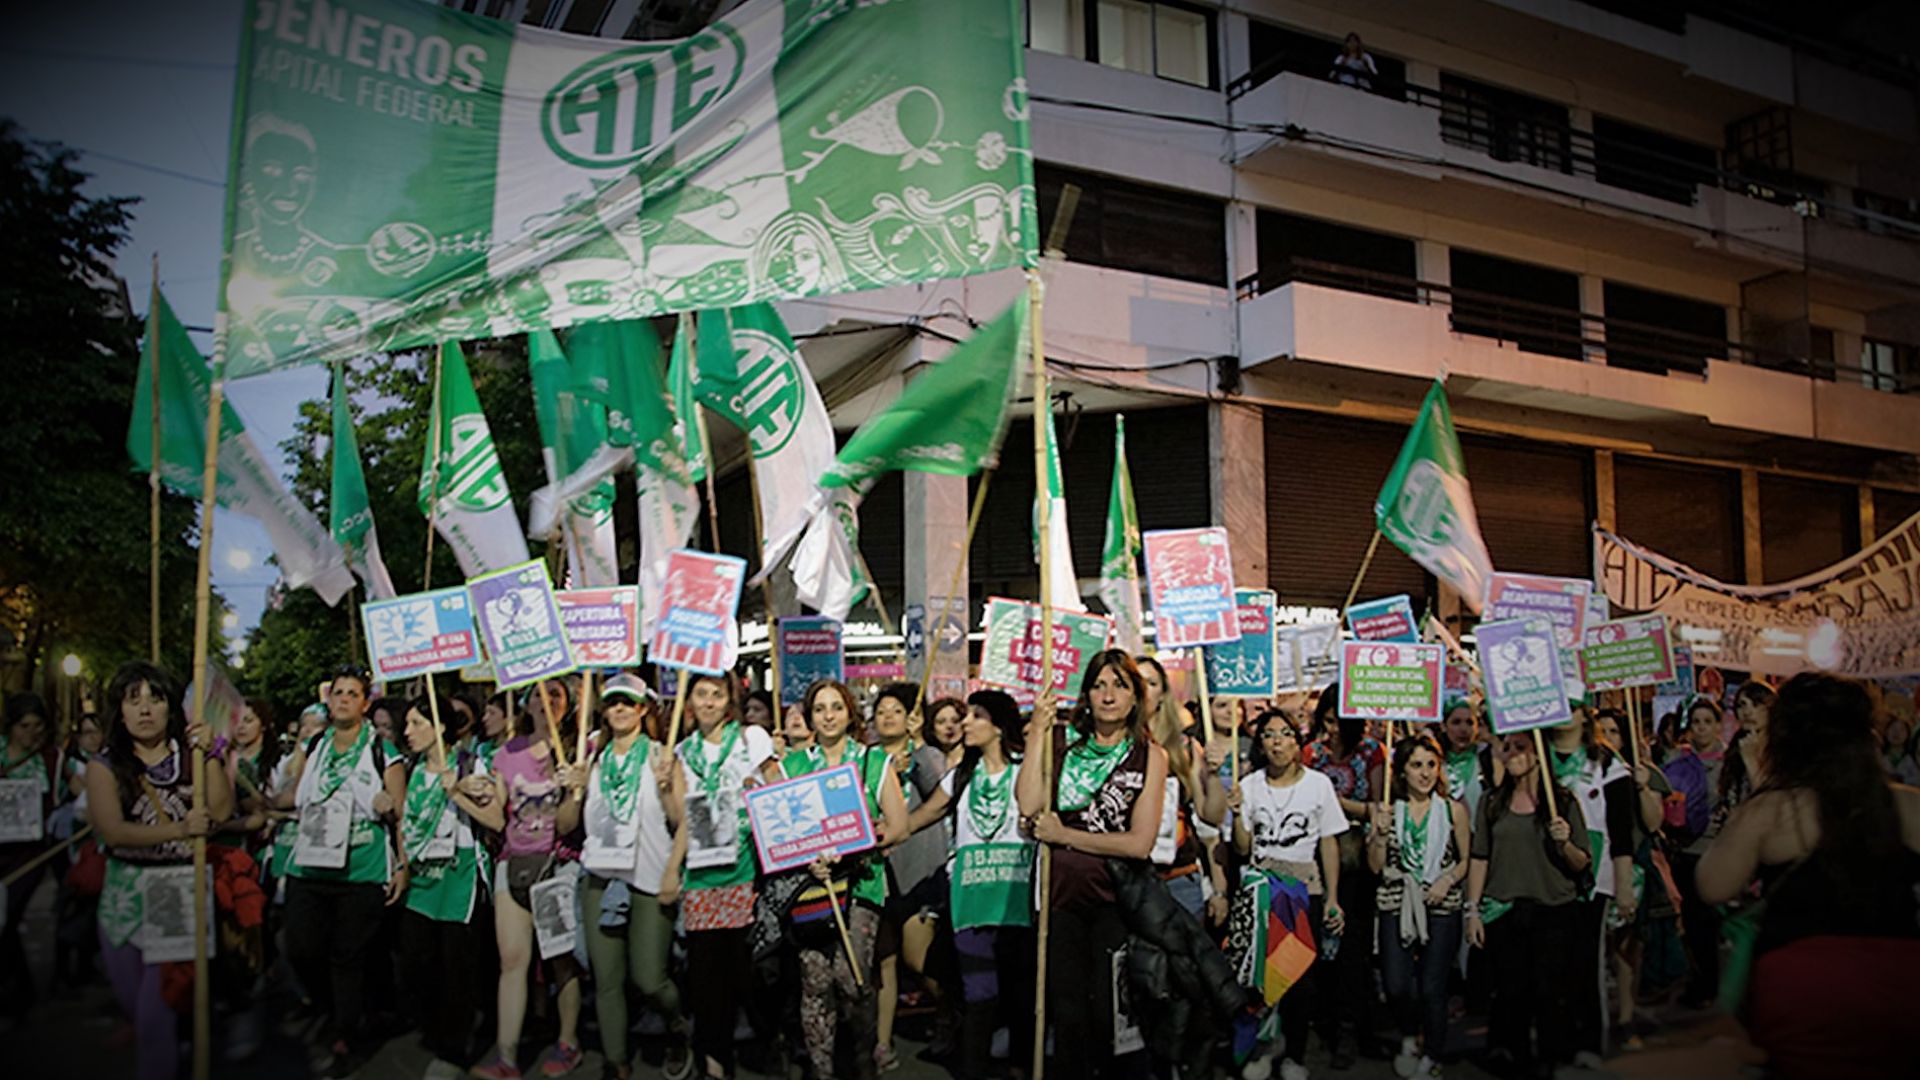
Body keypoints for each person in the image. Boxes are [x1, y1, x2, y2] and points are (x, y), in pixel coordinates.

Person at [1696, 673, 1920, 1079]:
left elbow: (1713, 885)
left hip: (1800, 982)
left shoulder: (1772, 810)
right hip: (1901, 978)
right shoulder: (1908, 806)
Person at [1015, 649, 1169, 1078]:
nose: (1108, 695)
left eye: (1120, 685)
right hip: (1058, 897)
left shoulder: (1150, 755)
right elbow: (1028, 804)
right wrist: (1037, 735)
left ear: (1136, 698)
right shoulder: (1063, 744)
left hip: (1114, 901)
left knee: (1109, 1014)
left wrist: (1066, 836)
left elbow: (1140, 843)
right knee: (1066, 1017)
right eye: (1099, 684)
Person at [87, 662, 232, 1080]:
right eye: (134, 700)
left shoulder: (194, 756)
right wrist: (179, 828)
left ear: (172, 708)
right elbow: (111, 831)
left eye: (156, 698)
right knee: (136, 1004)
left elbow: (221, 811)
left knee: (155, 1016)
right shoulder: (105, 765)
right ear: (120, 710)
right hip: (123, 901)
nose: (145, 709)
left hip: (179, 892)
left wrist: (214, 754)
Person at [274, 664, 408, 1079]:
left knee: (347, 957)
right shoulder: (315, 745)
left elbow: (401, 814)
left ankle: (345, 1034)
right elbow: (294, 796)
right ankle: (336, 1009)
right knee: (300, 948)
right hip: (310, 865)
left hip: (360, 871)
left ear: (365, 703)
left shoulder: (383, 750)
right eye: (339, 693)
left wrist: (401, 863)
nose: (345, 699)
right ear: (328, 700)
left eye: (353, 693)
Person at [781, 680, 908, 1080]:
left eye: (837, 707)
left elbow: (900, 825)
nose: (829, 715)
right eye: (820, 709)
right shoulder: (792, 766)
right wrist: (804, 857)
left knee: (851, 980)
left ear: (851, 713)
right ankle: (822, 1071)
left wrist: (857, 841)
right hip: (811, 889)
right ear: (809, 717)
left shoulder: (873, 761)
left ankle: (863, 1060)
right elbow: (779, 832)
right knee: (815, 983)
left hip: (861, 886)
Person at [903, 690, 1033, 1080]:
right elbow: (923, 815)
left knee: (1021, 996)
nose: (965, 722)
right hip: (971, 903)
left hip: (1017, 901)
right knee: (979, 997)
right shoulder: (960, 775)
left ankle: (1020, 1067)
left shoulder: (1026, 771)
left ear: (998, 725)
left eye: (976, 715)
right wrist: (884, 833)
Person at [469, 680, 588, 1080]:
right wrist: (459, 791)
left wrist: (575, 791)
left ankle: (568, 1043)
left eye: (555, 694)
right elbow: (498, 817)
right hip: (512, 863)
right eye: (538, 694)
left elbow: (570, 825)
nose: (545, 700)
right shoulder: (507, 752)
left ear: (568, 705)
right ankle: (506, 1059)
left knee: (560, 961)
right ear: (526, 702)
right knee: (512, 962)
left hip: (558, 865)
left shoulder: (580, 750)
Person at [578, 675, 692, 1080]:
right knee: (607, 979)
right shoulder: (591, 759)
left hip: (649, 876)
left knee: (649, 977)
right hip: (601, 876)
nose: (620, 710)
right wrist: (569, 792)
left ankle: (678, 1025)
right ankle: (616, 1063)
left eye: (628, 702)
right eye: (612, 704)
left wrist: (670, 872)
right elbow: (567, 823)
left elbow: (682, 821)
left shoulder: (661, 756)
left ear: (643, 709)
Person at [666, 671, 779, 1080]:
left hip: (746, 872)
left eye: (717, 694)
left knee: (745, 975)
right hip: (700, 877)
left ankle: (768, 1042)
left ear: (729, 700)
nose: (709, 702)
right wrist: (669, 871)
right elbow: (680, 819)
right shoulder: (680, 752)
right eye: (701, 694)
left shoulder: (752, 740)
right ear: (690, 701)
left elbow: (778, 791)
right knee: (705, 979)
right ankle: (715, 1062)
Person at [1230, 709, 1348, 1080]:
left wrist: (1332, 896)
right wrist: (1236, 814)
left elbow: (1329, 842)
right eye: (1268, 734)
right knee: (1258, 978)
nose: (1277, 741)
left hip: (1303, 891)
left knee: (1299, 979)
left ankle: (1294, 1053)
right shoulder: (1248, 786)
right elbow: (1241, 846)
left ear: (1298, 742)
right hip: (1260, 890)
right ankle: (1265, 1047)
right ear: (1260, 743)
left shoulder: (1318, 785)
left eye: (1285, 734)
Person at [1465, 733, 1589, 1079]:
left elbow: (1581, 863)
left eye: (1521, 746)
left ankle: (1549, 1058)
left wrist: (1564, 844)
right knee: (1511, 991)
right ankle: (1514, 1058)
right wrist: (1472, 910)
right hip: (1505, 911)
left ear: (1538, 752)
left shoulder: (1562, 802)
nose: (1513, 753)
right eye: (1507, 747)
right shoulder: (1492, 802)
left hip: (1554, 909)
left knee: (1549, 991)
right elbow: (1480, 856)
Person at [398, 694, 498, 1074]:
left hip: (461, 878)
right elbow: (407, 823)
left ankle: (454, 1050)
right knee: (416, 963)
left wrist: (456, 791)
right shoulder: (412, 768)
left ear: (439, 726)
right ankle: (438, 1025)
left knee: (457, 967)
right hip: (423, 879)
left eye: (416, 723)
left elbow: (495, 820)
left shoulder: (471, 764)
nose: (408, 732)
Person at [1367, 735, 1470, 1080]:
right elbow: (1375, 866)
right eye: (1416, 765)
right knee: (1396, 983)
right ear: (1402, 771)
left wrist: (1448, 880)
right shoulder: (1387, 810)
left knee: (1433, 986)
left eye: (1431, 765)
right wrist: (1379, 836)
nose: (1424, 773)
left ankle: (1433, 1054)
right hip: (1397, 901)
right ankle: (1410, 1033)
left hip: (1441, 903)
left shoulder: (1452, 809)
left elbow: (1466, 860)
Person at [1543, 704, 1635, 1066]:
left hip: (1594, 877)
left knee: (1585, 961)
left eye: (1574, 707)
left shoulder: (1608, 764)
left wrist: (1624, 884)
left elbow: (1621, 831)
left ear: (1585, 715)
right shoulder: (1538, 756)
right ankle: (1556, 1039)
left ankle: (1589, 1040)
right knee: (1551, 964)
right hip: (1547, 876)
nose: (1566, 715)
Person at [1301, 690, 1385, 1066]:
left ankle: (1355, 1027)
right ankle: (1328, 1021)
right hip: (1317, 858)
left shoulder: (1372, 752)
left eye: (1339, 722)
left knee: (1355, 947)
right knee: (1322, 946)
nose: (1332, 729)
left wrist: (1335, 802)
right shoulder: (1311, 754)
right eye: (1328, 720)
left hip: (1359, 860)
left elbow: (1379, 809)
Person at [868, 683, 948, 1072]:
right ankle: (882, 1043)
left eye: (896, 710)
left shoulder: (926, 754)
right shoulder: (866, 759)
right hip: (877, 877)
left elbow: (940, 791)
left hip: (918, 874)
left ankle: (953, 1011)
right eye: (881, 710)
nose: (887, 716)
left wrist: (916, 749)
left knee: (919, 962)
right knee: (884, 961)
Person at [1137, 655, 1227, 921]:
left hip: (1179, 878)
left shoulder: (1185, 748)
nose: (1143, 690)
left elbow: (1211, 816)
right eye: (1136, 682)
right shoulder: (1113, 747)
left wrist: (1213, 776)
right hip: (1133, 878)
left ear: (1163, 693)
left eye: (1151, 683)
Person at [0, 692, 63, 1023]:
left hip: (30, 856)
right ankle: (19, 989)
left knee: (7, 915)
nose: (31, 733)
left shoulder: (50, 760)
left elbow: (80, 786)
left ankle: (16, 998)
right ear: (11, 727)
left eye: (38, 726)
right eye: (24, 726)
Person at [1661, 696, 1724, 1009]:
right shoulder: (1678, 759)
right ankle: (1700, 981)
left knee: (1705, 920)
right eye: (1696, 722)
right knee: (1691, 920)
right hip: (1682, 848)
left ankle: (1710, 983)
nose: (1701, 728)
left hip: (1712, 848)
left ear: (1718, 725)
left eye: (1707, 722)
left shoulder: (1727, 762)